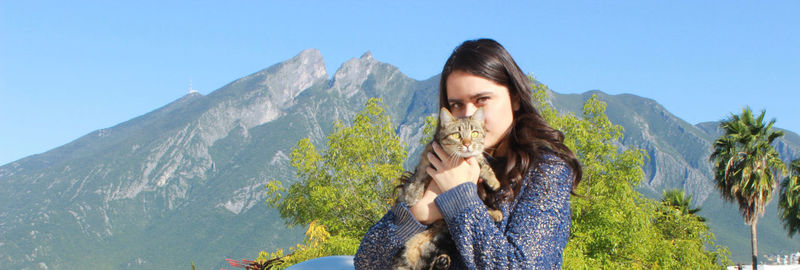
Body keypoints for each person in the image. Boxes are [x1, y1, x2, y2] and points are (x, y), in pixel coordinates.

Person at [354, 38, 583, 269]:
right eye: (456, 105)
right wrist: (420, 212)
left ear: (514, 98)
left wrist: (459, 198)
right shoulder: (441, 163)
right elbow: (366, 261)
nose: (467, 115)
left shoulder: (547, 171)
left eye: (481, 100)